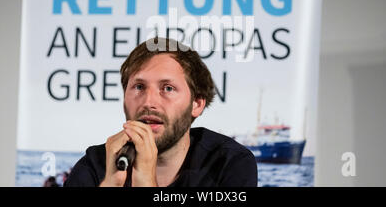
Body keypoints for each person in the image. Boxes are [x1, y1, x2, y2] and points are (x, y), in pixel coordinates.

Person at [64, 37, 257, 187]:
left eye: (168, 88)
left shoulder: (229, 163)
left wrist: (146, 183)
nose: (149, 102)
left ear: (196, 104)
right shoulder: (96, 166)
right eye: (139, 87)